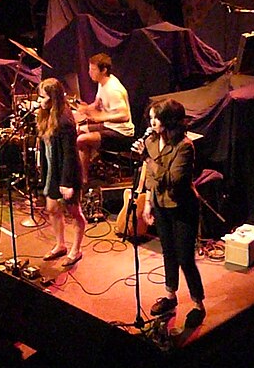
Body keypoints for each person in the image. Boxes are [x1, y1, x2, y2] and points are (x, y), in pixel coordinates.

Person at [131, 98, 206, 328]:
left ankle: (198, 304)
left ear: (169, 120)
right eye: (151, 118)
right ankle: (170, 296)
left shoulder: (184, 146)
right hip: (161, 206)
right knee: (168, 253)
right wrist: (147, 204)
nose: (152, 122)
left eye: (156, 118)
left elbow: (173, 179)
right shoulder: (152, 142)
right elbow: (153, 178)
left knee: (185, 258)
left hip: (182, 208)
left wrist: (147, 158)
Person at [37, 78, 86, 267]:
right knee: (52, 208)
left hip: (66, 173)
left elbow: (69, 155)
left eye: (43, 97)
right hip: (52, 171)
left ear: (52, 98)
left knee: (74, 212)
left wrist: (67, 183)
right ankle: (60, 245)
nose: (39, 100)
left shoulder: (65, 120)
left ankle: (77, 248)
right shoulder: (45, 115)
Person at [76, 53, 134, 186]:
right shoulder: (102, 83)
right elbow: (97, 104)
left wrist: (100, 117)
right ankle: (92, 163)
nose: (89, 73)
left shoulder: (114, 89)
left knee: (81, 140)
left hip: (121, 133)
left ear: (104, 70)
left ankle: (84, 180)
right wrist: (84, 109)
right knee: (80, 130)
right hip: (109, 127)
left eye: (93, 70)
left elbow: (124, 116)